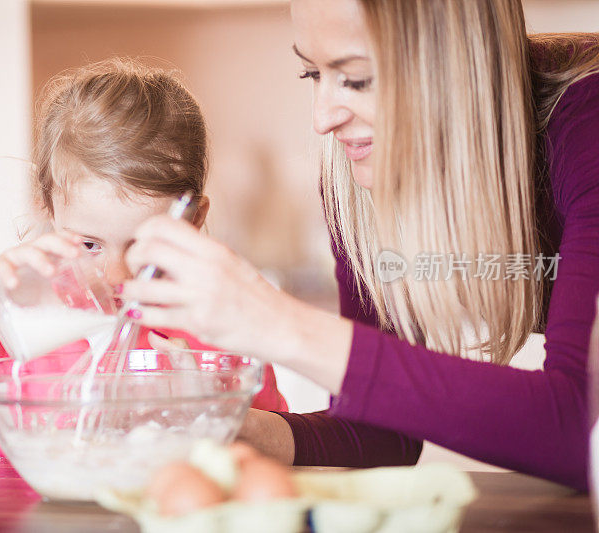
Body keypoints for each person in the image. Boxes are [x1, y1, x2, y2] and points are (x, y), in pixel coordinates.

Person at [120, 0, 599, 490]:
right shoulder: (353, 179)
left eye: (357, 79)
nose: (322, 118)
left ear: (453, 65)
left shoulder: (588, 123)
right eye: (312, 74)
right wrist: (226, 426)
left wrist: (275, 320)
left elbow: (583, 428)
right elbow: (382, 433)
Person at [0, 59, 287, 458]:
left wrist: (210, 410)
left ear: (193, 220)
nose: (117, 275)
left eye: (144, 244)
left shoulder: (223, 327)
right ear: (47, 209)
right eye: (90, 245)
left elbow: (277, 450)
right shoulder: (22, 319)